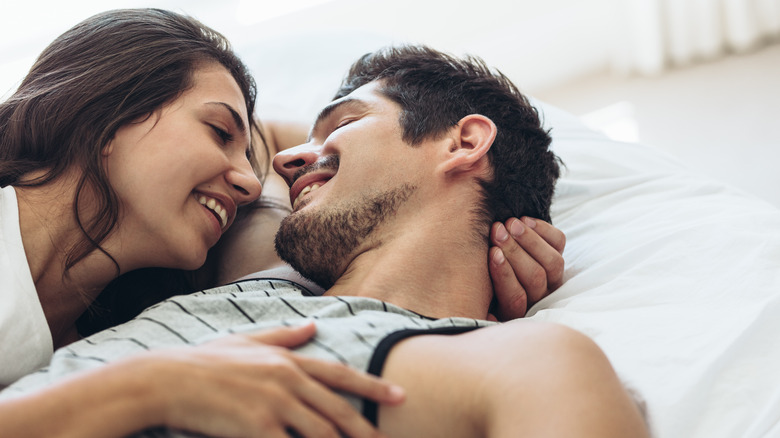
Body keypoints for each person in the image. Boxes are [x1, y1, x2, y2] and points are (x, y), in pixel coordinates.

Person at [3, 45, 648, 437]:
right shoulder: (253, 261)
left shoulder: (522, 361)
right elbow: (200, 127)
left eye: (341, 125)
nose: (281, 164)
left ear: (464, 141)